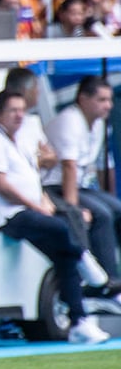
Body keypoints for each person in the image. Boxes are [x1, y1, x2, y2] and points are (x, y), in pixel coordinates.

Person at [0, 90, 110, 345]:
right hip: (7, 215)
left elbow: (36, 174)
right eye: (12, 111)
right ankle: (88, 263)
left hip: (26, 209)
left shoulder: (18, 140)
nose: (19, 115)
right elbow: (2, 185)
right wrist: (35, 207)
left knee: (64, 257)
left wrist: (41, 201)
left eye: (21, 110)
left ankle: (79, 321)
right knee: (60, 229)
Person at [44, 75, 121, 282]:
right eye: (102, 100)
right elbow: (69, 167)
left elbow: (105, 167)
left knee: (116, 209)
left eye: (109, 100)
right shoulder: (69, 122)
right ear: (83, 99)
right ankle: (108, 282)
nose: (108, 106)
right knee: (102, 215)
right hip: (56, 187)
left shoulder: (99, 125)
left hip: (78, 186)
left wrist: (108, 197)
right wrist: (74, 210)